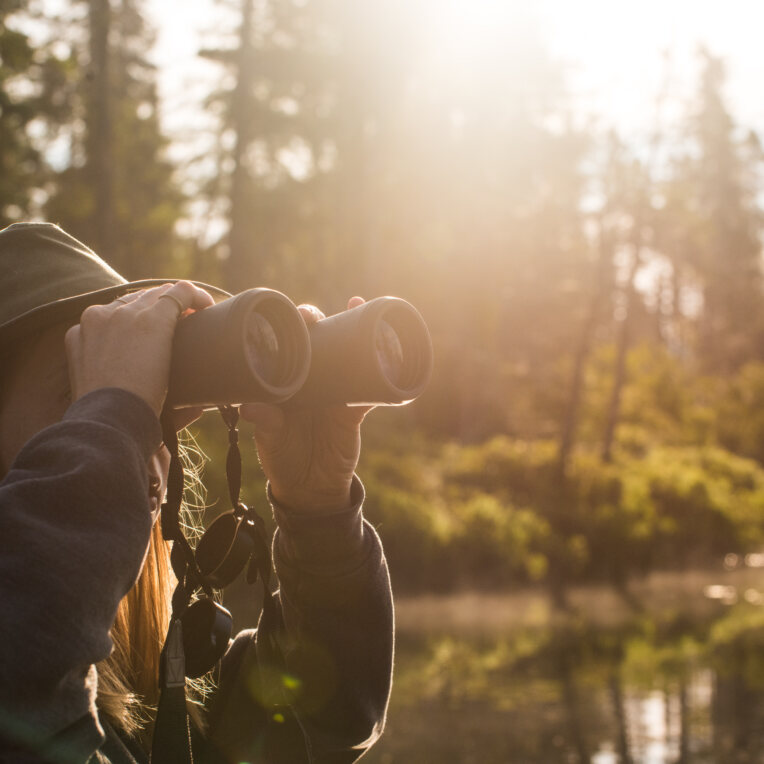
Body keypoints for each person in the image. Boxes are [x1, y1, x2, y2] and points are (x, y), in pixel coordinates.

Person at [0, 222, 394, 763]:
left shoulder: (150, 693)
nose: (140, 442)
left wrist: (319, 512)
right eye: (83, 399)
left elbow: (319, 724)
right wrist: (113, 421)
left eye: (154, 410)